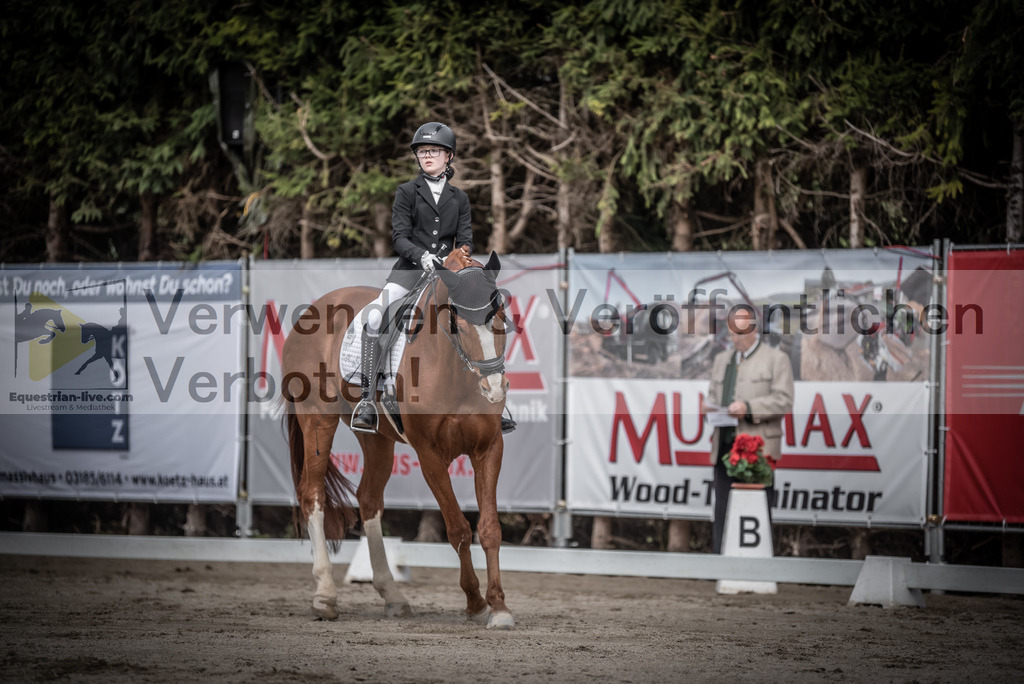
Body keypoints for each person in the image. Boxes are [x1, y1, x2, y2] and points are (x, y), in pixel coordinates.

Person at [351, 121, 515, 435]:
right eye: (423, 151)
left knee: (481, 320)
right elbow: (399, 237)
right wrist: (423, 256)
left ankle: (497, 402)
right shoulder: (406, 192)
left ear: (448, 157)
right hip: (410, 270)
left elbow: (465, 239)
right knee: (374, 317)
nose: (427, 156)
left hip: (450, 275)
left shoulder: (459, 198)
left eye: (434, 151)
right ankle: (368, 401)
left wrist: (459, 256)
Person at [706, 306, 794, 553]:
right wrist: (709, 409)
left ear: (754, 330)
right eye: (731, 333)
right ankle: (721, 565)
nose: (735, 339)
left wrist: (749, 408)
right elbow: (713, 395)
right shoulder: (721, 360)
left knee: (757, 507)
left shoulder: (777, 360)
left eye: (740, 333)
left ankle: (757, 565)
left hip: (758, 449)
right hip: (724, 447)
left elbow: (783, 400)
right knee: (722, 508)